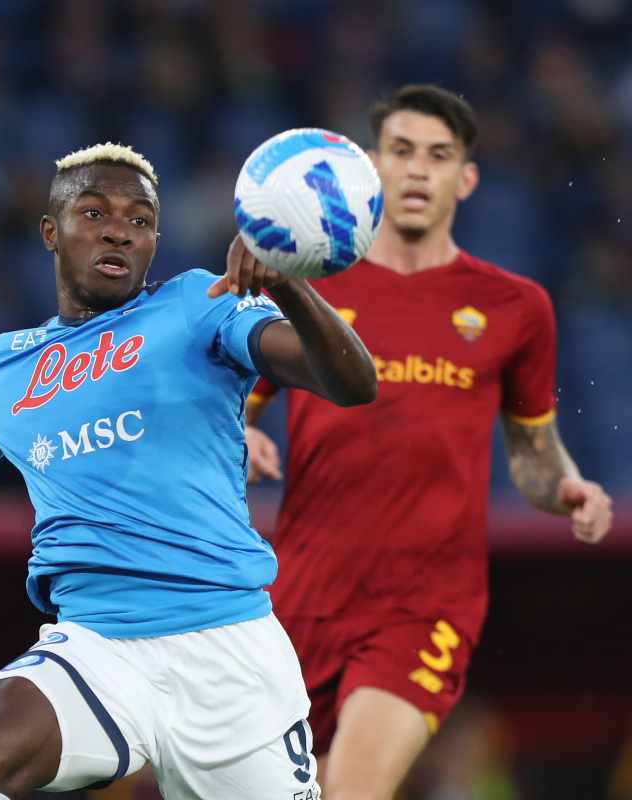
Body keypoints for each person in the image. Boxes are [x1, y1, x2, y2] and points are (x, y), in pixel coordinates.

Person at [0, 141, 378, 799]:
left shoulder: (201, 303)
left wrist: (290, 286)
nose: (119, 229)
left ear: (155, 241)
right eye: (94, 212)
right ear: (51, 231)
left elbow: (350, 382)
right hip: (100, 647)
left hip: (229, 651)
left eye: (140, 220)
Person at [242, 84, 614, 800]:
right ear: (372, 169)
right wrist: (245, 437)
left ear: (465, 178)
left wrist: (566, 487)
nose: (418, 170)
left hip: (427, 604)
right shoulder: (308, 288)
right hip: (303, 598)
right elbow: (235, 408)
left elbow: (534, 454)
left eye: (439, 156)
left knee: (352, 790)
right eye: (403, 152)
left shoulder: (515, 308)